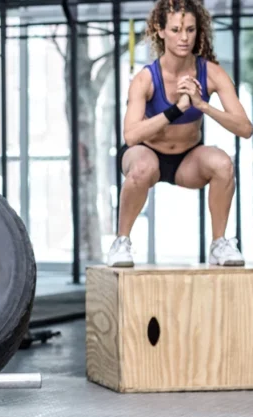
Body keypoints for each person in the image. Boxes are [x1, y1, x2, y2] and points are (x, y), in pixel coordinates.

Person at [109, 0, 253, 267]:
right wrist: (176, 109)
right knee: (142, 166)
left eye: (190, 30)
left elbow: (245, 129)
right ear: (161, 31)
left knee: (223, 163)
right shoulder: (146, 78)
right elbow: (131, 136)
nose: (184, 37)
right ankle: (121, 241)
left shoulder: (211, 73)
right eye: (176, 30)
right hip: (146, 153)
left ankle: (219, 243)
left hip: (187, 161)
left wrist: (202, 105)